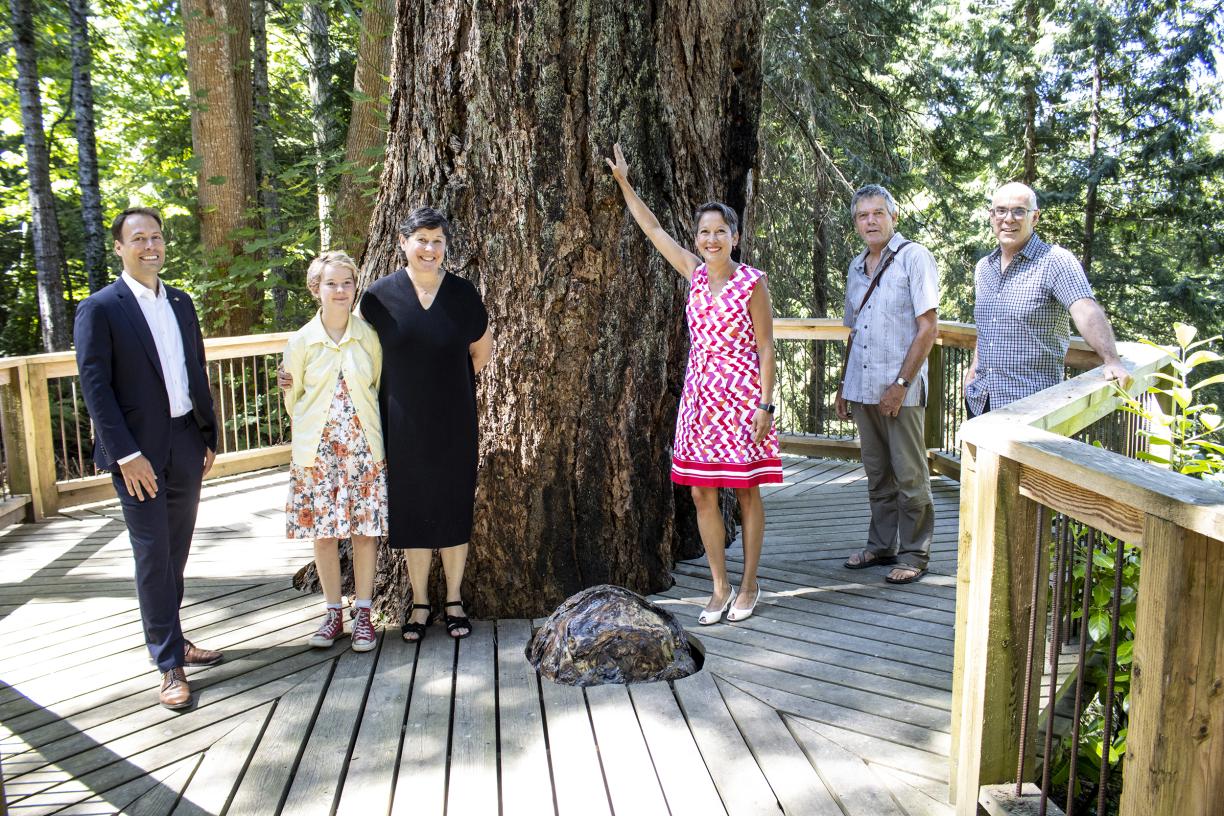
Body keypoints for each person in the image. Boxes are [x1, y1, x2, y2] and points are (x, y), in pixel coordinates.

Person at [606, 143, 782, 625]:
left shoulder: (753, 282)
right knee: (703, 492)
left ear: (735, 236)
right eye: (704, 232)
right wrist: (624, 182)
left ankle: (749, 585)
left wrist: (766, 406)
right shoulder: (693, 274)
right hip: (700, 399)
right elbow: (654, 229)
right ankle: (719, 586)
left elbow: (766, 347)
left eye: (719, 231)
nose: (710, 239)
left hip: (744, 396)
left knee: (746, 491)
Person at [74, 207, 220, 710]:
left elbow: (193, 368)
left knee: (176, 550)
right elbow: (96, 388)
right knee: (152, 553)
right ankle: (167, 664)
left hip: (185, 443)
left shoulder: (180, 302)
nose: (150, 246)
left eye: (156, 236)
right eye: (139, 238)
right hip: (137, 455)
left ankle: (175, 637)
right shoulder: (101, 308)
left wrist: (207, 436)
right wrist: (126, 454)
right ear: (119, 247)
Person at [359, 207, 493, 640]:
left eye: (437, 241)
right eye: (421, 240)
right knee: (413, 510)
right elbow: (355, 352)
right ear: (403, 242)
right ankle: (420, 605)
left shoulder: (463, 294)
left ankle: (454, 600)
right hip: (401, 422)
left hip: (455, 418)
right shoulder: (379, 297)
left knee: (454, 506)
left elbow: (480, 353)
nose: (430, 249)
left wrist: (444, 384)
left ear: (445, 245)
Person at [282, 251, 387, 652]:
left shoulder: (368, 337)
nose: (340, 290)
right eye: (331, 283)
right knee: (324, 535)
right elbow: (294, 399)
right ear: (316, 289)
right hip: (318, 454)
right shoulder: (301, 342)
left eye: (346, 283)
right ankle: (332, 614)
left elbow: (376, 382)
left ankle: (363, 613)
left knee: (364, 533)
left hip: (362, 450)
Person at [836, 185, 939, 585]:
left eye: (878, 213)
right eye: (863, 216)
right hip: (863, 388)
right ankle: (882, 545)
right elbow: (854, 330)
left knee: (910, 476)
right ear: (856, 223)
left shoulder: (914, 258)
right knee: (877, 474)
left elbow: (928, 327)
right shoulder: (856, 266)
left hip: (901, 391)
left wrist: (900, 383)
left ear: (893, 217)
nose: (871, 221)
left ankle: (915, 553)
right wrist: (845, 383)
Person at [965, 182, 1129, 416]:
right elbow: (988, 326)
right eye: (1000, 211)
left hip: (1030, 406)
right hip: (981, 398)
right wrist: (973, 370)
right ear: (992, 216)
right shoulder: (984, 268)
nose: (1008, 219)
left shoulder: (1055, 261)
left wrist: (1111, 360)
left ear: (1035, 217)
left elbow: (1084, 309)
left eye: (1019, 211)